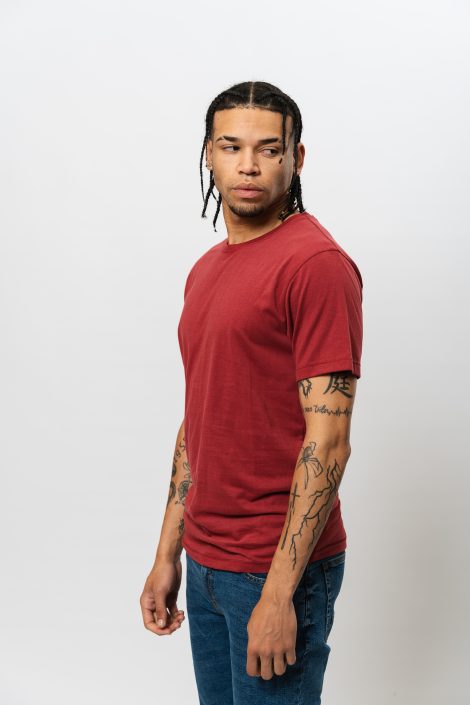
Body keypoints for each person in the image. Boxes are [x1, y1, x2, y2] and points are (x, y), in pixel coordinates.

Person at [140, 80, 363, 705]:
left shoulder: (315, 265)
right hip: (207, 561)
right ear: (208, 154)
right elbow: (200, 419)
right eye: (231, 146)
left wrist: (279, 591)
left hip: (274, 567)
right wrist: (168, 553)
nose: (248, 165)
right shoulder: (207, 269)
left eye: (268, 148)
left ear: (297, 157)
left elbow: (330, 440)